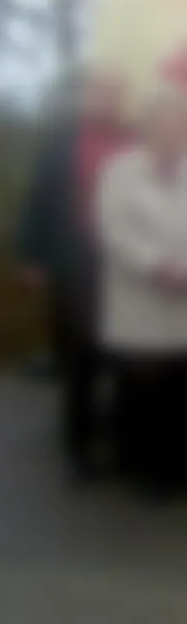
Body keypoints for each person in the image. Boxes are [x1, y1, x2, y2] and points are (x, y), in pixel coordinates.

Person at [17, 69, 134, 478]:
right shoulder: (62, 143)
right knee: (78, 358)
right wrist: (32, 255)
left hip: (132, 265)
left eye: (112, 93)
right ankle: (79, 452)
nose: (105, 101)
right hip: (74, 262)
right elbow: (38, 199)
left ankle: (128, 446)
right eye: (98, 93)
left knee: (132, 358)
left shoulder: (139, 138)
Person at [93, 92, 187, 496]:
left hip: (182, 298)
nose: (173, 130)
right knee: (140, 386)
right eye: (165, 123)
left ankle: (173, 467)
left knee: (178, 386)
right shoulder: (119, 171)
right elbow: (113, 228)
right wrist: (155, 265)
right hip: (139, 295)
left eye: (180, 123)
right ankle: (139, 466)